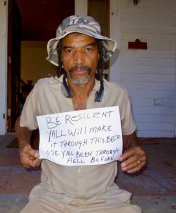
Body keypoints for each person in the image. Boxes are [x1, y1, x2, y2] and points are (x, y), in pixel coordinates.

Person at [15, 15, 146, 213]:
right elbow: (23, 123)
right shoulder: (43, 90)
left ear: (99, 54)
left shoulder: (118, 94)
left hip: (104, 198)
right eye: (69, 50)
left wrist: (134, 148)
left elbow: (128, 132)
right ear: (60, 56)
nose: (78, 60)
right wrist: (23, 143)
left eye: (88, 49)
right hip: (51, 197)